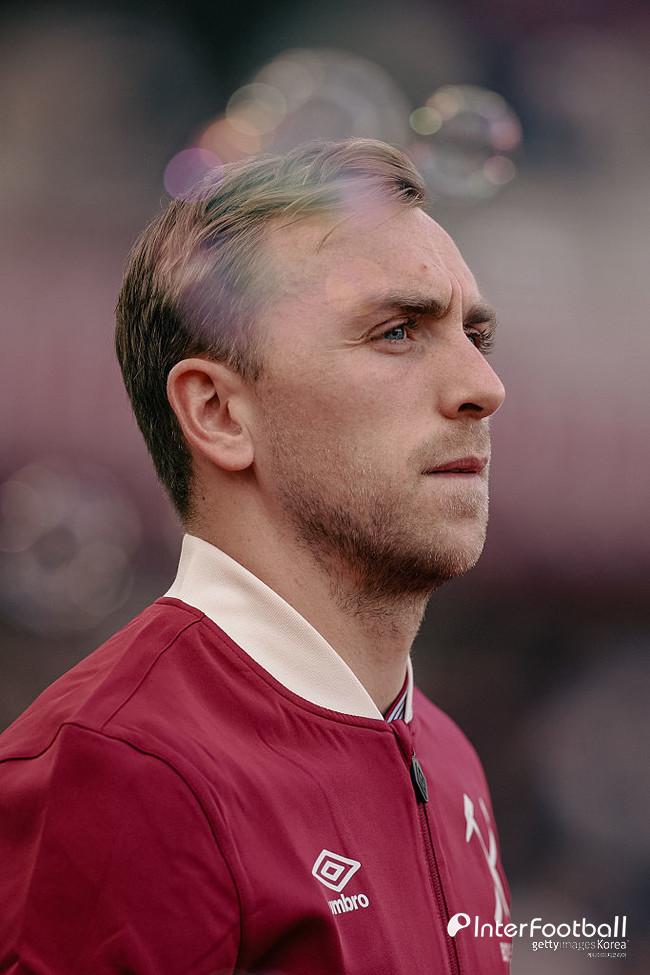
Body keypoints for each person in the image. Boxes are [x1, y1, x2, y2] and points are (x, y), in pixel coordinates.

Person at [0, 139, 511, 974]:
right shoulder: (121, 770)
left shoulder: (450, 757)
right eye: (396, 331)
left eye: (476, 335)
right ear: (218, 412)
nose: (484, 386)